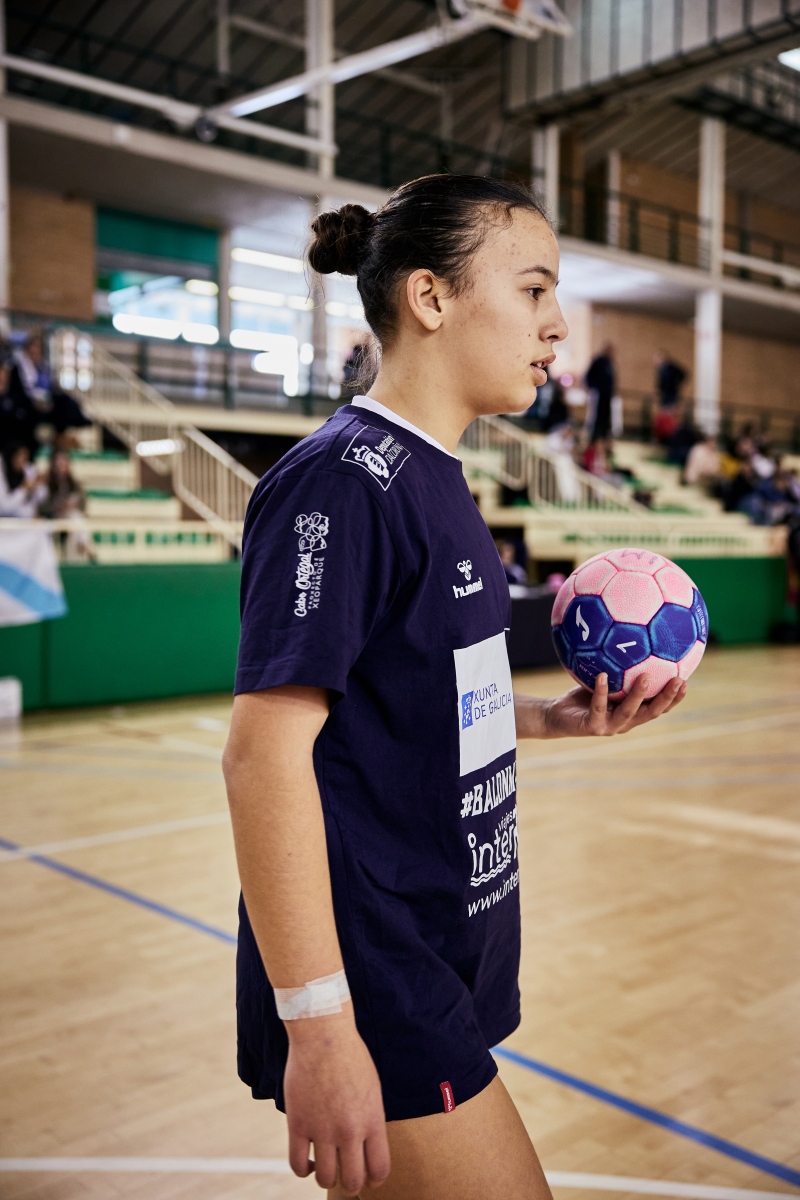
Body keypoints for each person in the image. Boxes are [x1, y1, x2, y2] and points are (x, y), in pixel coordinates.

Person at [223, 174, 687, 1200]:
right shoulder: (340, 483)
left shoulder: (436, 475)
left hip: (438, 947)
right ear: (429, 297)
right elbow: (263, 758)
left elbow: (408, 706)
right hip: (374, 977)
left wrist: (547, 720)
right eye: (533, 290)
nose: (556, 325)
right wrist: (321, 1030)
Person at [0, 441, 47, 517]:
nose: (22, 461)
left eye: (25, 458)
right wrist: (23, 489)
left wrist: (41, 484)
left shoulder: (28, 469)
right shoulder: (2, 470)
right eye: (19, 456)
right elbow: (3, 508)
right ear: (11, 456)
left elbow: (41, 499)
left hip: (23, 519)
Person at [585, 343, 615, 441]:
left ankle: (603, 435)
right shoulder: (598, 361)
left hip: (607, 394)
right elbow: (588, 376)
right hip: (598, 393)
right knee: (595, 416)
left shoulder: (609, 362)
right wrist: (592, 388)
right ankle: (593, 436)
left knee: (605, 416)